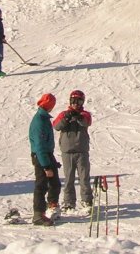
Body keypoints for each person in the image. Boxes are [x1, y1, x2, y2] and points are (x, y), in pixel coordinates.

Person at [52, 89, 93, 212]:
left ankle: (87, 200)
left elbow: (87, 122)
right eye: (73, 101)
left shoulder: (85, 114)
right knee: (69, 178)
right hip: (67, 151)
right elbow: (56, 126)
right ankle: (69, 201)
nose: (75, 103)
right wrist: (66, 118)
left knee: (84, 177)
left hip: (81, 150)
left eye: (78, 101)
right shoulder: (64, 114)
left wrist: (78, 117)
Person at [28, 92, 60, 226]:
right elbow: (39, 146)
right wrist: (46, 166)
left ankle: (52, 205)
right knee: (41, 185)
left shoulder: (44, 118)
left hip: (47, 154)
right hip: (41, 155)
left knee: (55, 183)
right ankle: (38, 214)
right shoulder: (39, 121)